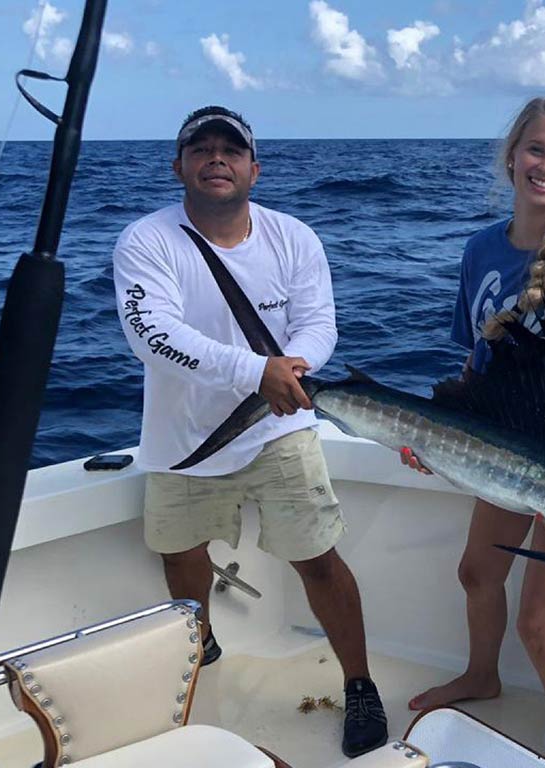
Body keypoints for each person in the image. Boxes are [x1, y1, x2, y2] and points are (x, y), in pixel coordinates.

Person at [112, 106, 387, 758]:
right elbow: (151, 337)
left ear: (253, 169)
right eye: (200, 149)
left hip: (278, 426)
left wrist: (289, 369)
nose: (216, 158)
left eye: (230, 150)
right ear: (177, 166)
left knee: (318, 558)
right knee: (180, 554)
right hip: (183, 437)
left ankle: (360, 684)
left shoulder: (294, 237)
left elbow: (320, 323)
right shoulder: (145, 242)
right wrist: (255, 369)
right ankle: (201, 642)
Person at [402, 97, 545, 768]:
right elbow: (475, 361)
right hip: (499, 454)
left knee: (538, 624)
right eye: (537, 150)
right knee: (476, 573)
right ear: (512, 155)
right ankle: (480, 676)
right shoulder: (480, 249)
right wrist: (441, 438)